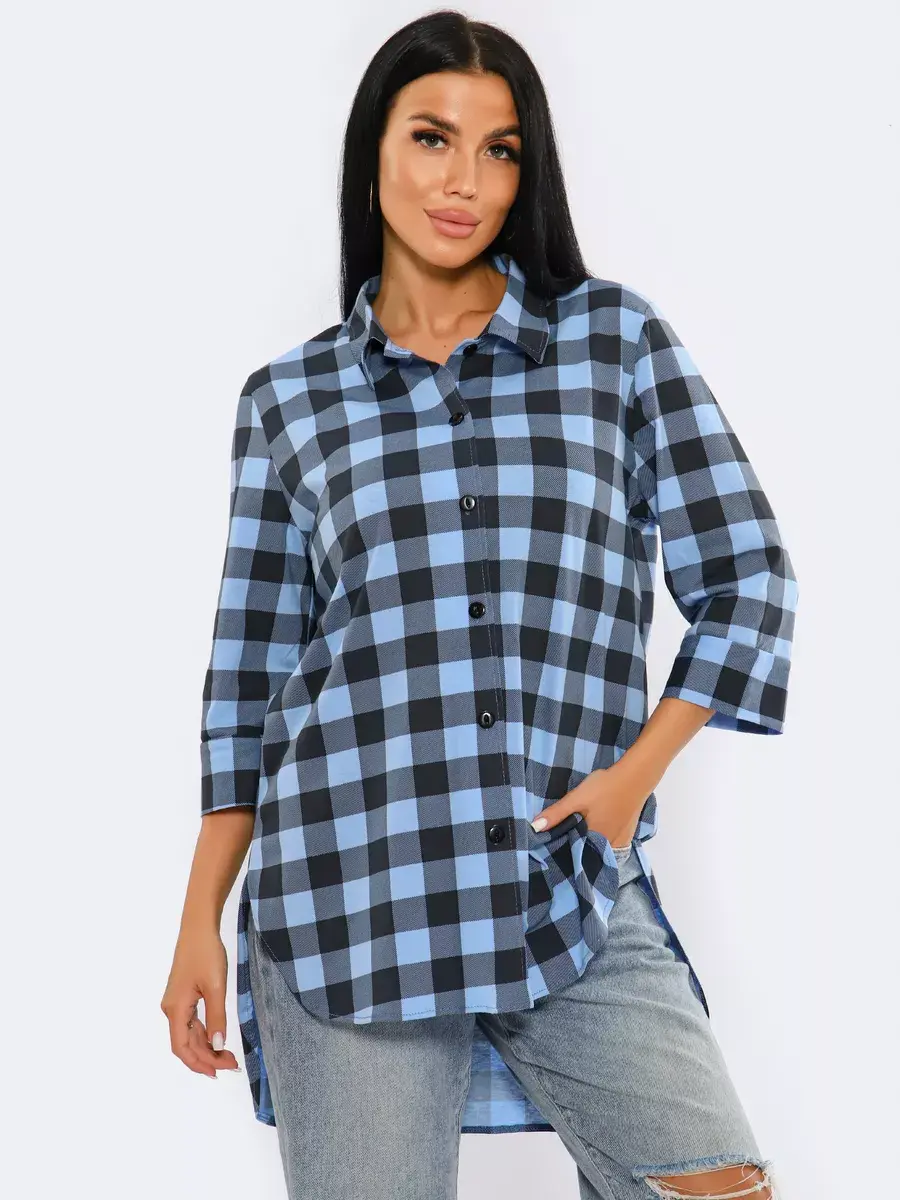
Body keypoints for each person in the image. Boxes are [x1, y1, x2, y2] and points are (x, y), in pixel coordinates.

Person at [161, 10, 797, 1199]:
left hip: (564, 888)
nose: (465, 181)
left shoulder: (613, 346)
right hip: (351, 895)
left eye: (500, 150)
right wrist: (200, 915)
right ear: (372, 150)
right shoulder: (291, 401)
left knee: (720, 1185)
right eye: (432, 138)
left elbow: (748, 575)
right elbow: (248, 679)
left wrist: (633, 780)